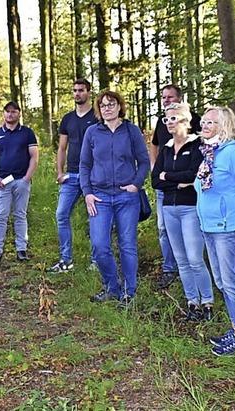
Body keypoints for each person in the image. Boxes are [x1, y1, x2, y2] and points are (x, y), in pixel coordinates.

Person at [194, 106, 235, 356]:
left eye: (210, 122)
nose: (204, 126)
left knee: (233, 283)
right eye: (203, 121)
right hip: (210, 227)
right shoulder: (211, 154)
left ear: (224, 126)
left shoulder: (233, 154)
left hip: (230, 227)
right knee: (223, 281)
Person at [80, 90, 149, 308]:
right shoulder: (92, 132)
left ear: (120, 106)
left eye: (111, 104)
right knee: (100, 245)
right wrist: (87, 193)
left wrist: (135, 185)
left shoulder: (131, 131)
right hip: (99, 197)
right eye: (103, 105)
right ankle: (112, 287)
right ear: (99, 110)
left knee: (127, 245)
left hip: (126, 197)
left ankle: (129, 292)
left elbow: (144, 161)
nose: (107, 108)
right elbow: (84, 165)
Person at [151, 102, 213, 321]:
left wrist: (168, 177)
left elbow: (193, 176)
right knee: (181, 259)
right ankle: (192, 303)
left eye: (173, 118)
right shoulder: (166, 148)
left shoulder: (198, 146)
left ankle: (207, 303)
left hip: (190, 208)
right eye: (166, 119)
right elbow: (154, 180)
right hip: (169, 207)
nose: (168, 123)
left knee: (195, 258)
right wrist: (173, 181)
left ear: (185, 121)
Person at [149, 85, 201, 289]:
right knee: (163, 229)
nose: (166, 100)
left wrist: (167, 176)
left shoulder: (193, 119)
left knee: (191, 236)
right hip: (165, 192)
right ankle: (170, 268)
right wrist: (155, 168)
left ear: (180, 98)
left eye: (170, 97)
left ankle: (194, 272)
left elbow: (193, 171)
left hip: (189, 196)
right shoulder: (162, 123)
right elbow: (154, 146)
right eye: (163, 97)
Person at [47, 79, 98, 273]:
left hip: (93, 176)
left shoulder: (97, 116)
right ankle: (65, 260)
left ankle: (96, 260)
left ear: (88, 92)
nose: (77, 94)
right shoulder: (68, 119)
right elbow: (62, 148)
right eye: (75, 91)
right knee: (61, 214)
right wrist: (60, 172)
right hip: (71, 176)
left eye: (81, 90)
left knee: (94, 217)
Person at [0, 101, 39, 264]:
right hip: (2, 182)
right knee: (1, 216)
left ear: (19, 113)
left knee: (20, 215)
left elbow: (34, 157)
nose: (10, 114)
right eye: (7, 111)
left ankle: (21, 250)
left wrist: (26, 178)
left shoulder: (27, 133)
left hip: (21, 181)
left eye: (14, 111)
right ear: (4, 113)